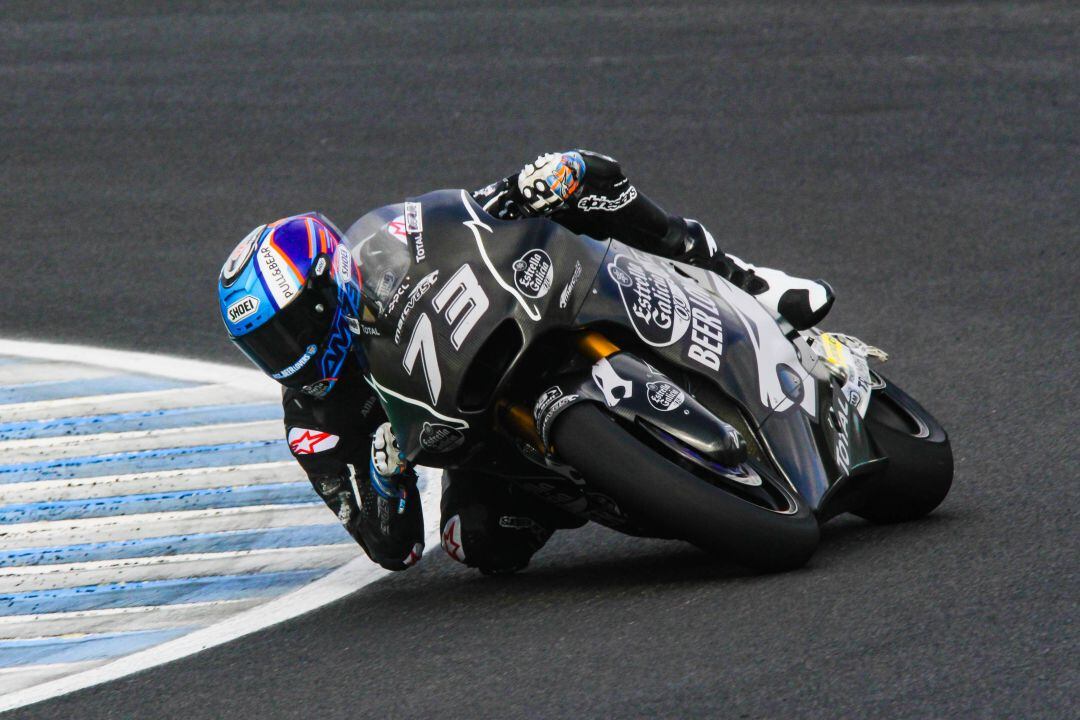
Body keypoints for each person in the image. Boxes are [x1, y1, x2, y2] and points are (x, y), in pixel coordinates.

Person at [216, 150, 834, 575]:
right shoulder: (313, 422)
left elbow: (463, 214)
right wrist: (383, 472)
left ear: (331, 284)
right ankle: (601, 484)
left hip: (517, 323)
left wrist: (521, 188)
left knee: (575, 178)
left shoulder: (386, 246)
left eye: (293, 326)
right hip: (474, 443)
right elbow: (393, 548)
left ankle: (747, 280)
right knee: (476, 544)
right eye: (267, 343)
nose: (289, 353)